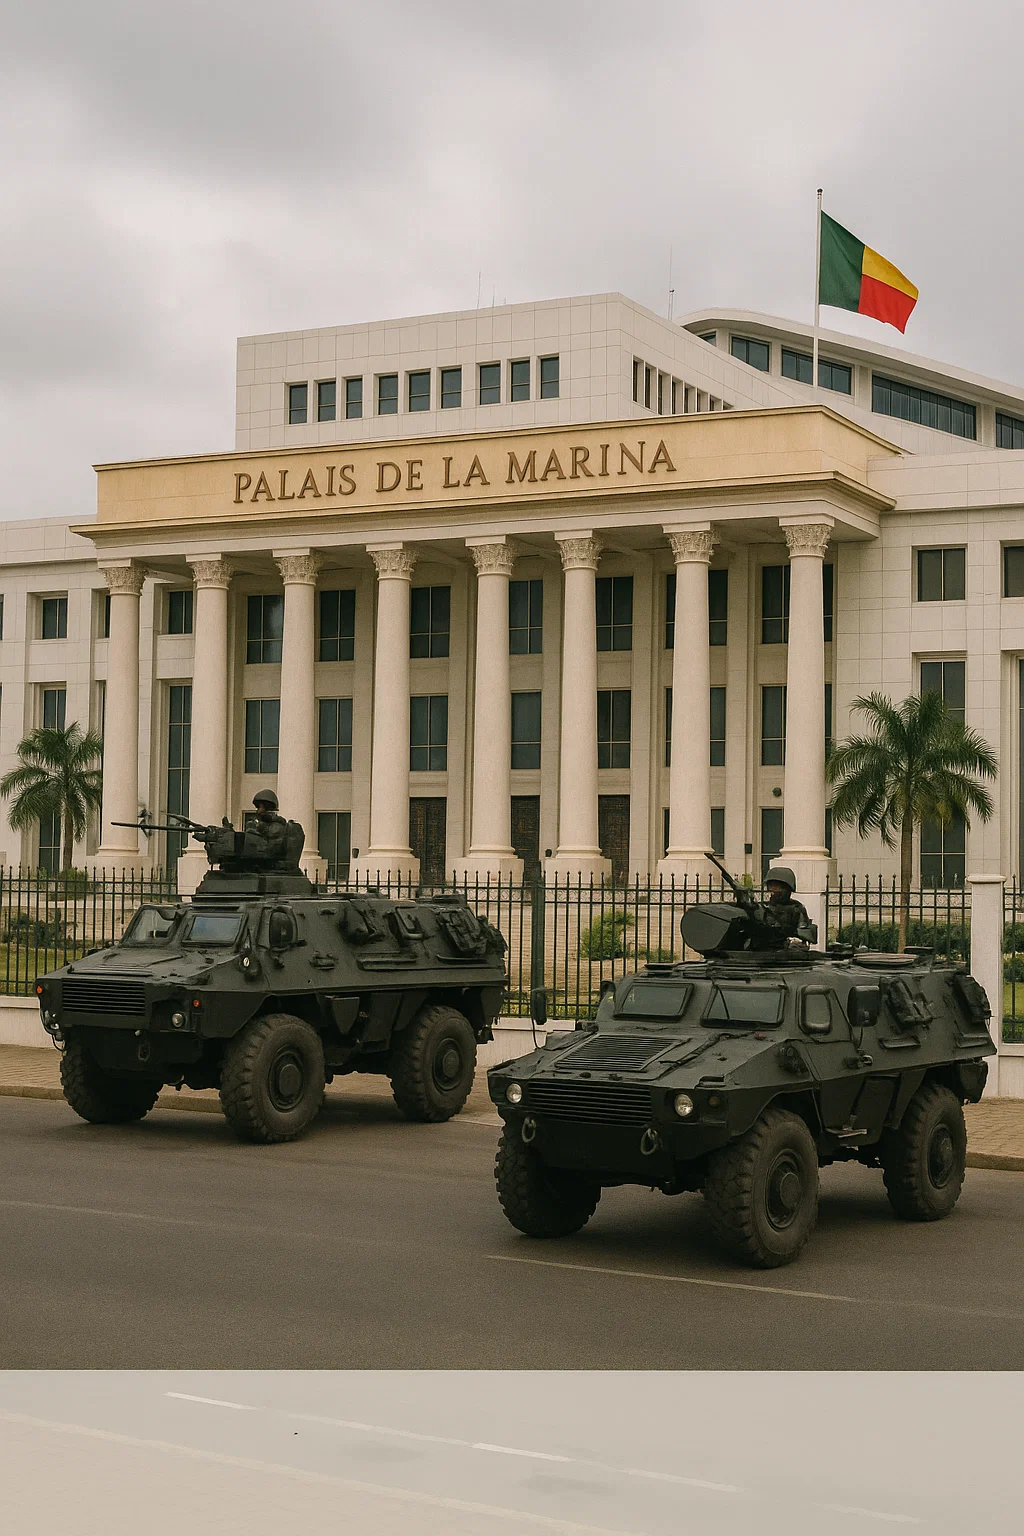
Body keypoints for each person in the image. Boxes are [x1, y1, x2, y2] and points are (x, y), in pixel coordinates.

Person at [760, 866, 814, 945]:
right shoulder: (763, 908)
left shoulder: (796, 908)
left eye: (776, 886)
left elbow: (804, 932)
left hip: (788, 949)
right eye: (771, 886)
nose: (772, 890)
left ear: (787, 889)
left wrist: (795, 940)